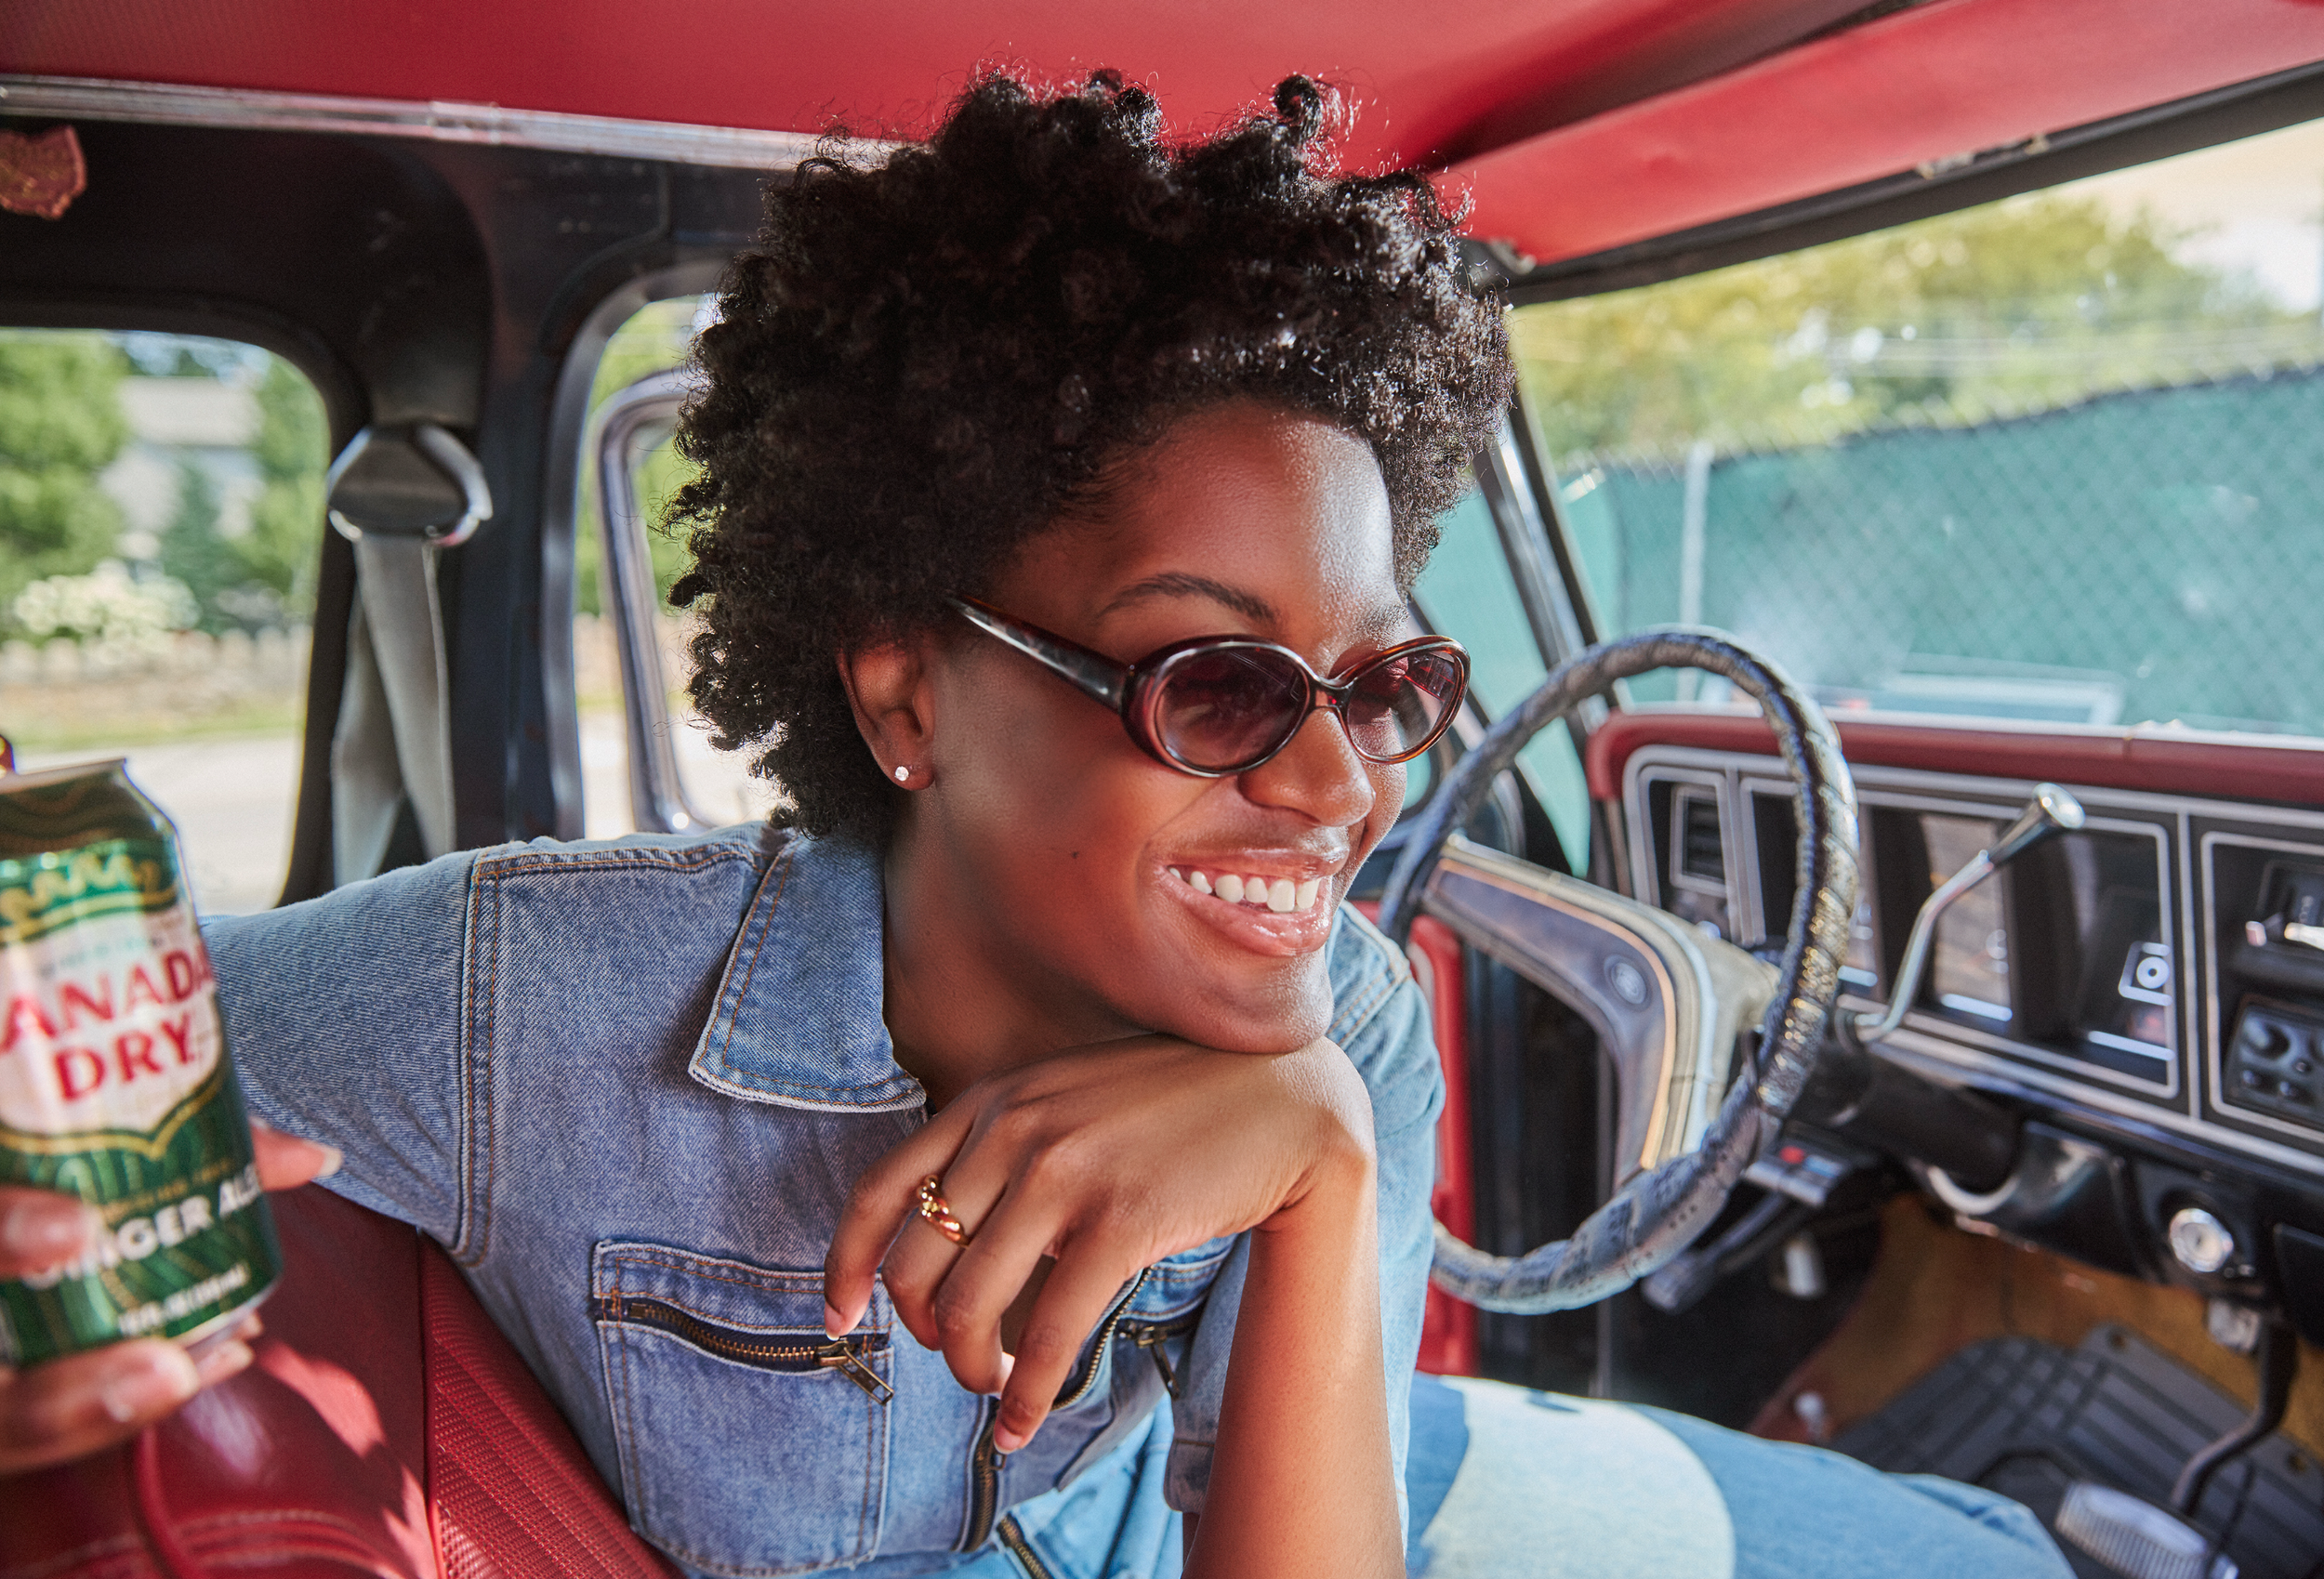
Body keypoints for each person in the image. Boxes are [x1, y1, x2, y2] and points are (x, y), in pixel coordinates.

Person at [0, 71, 2070, 1579]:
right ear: (906, 692)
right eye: (1218, 682)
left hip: (1225, 1512)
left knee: (1980, 1554)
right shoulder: (514, 998)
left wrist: (1326, 1173)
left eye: (1382, 687)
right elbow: (94, 1019)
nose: (1341, 784)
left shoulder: (1334, 1011)